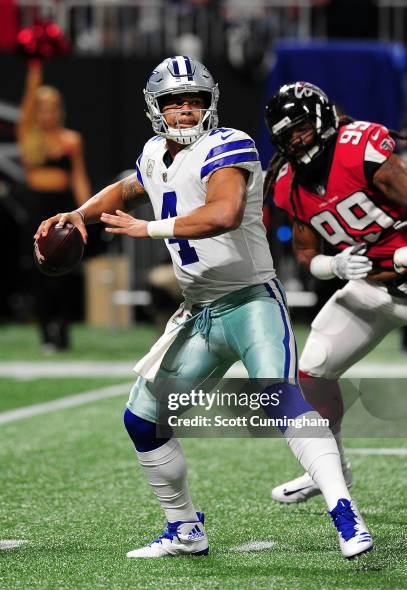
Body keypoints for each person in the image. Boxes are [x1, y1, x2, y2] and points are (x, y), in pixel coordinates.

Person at [35, 58, 372, 559]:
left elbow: (224, 212)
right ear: (156, 107)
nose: (186, 109)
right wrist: (79, 214)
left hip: (251, 301)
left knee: (281, 400)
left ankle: (346, 514)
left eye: (193, 100)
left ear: (210, 103)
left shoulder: (229, 144)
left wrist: (146, 229)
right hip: (200, 312)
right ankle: (185, 529)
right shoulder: (154, 152)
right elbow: (131, 185)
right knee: (142, 419)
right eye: (175, 101)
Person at [264, 81, 407, 503]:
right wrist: (334, 264)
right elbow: (307, 252)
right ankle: (330, 469)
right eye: (286, 135)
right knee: (313, 368)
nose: (296, 141)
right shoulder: (288, 182)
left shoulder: (359, 150)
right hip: (370, 289)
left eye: (302, 128)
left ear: (323, 119)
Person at [17, 60, 91, 351]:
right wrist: (35, 67)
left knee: (67, 270)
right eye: (42, 108)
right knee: (39, 270)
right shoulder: (29, 136)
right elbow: (27, 101)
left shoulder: (71, 139)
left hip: (62, 206)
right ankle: (46, 332)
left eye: (52, 107)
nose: (47, 113)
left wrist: (86, 211)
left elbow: (79, 177)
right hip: (36, 206)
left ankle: (63, 328)